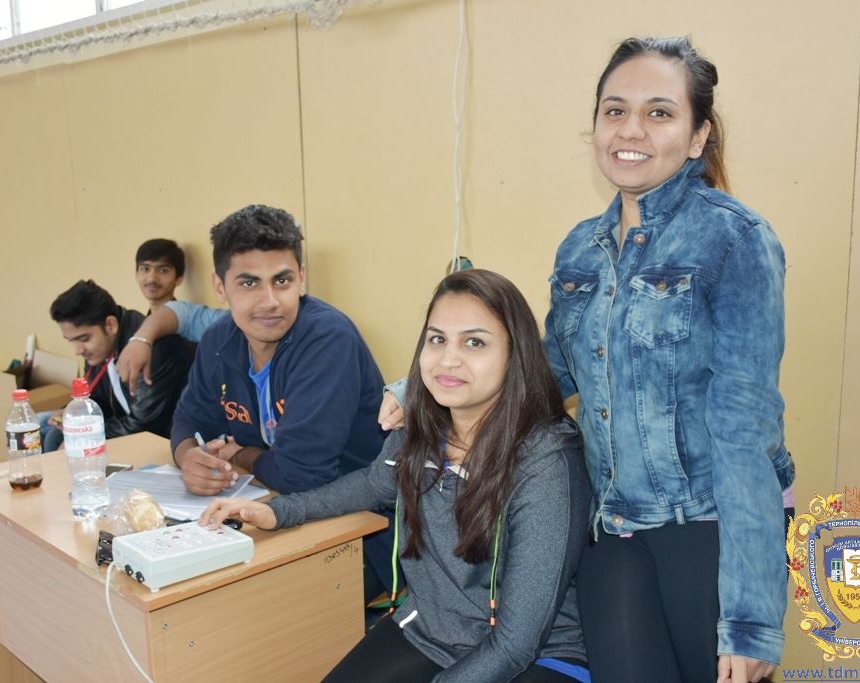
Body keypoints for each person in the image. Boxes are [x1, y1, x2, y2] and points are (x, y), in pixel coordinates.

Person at [543, 37, 794, 683]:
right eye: (615, 110)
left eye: (659, 112)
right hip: (612, 533)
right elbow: (543, 378)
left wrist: (751, 616)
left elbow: (746, 434)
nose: (631, 129)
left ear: (697, 135)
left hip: (707, 530)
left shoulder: (735, 239)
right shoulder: (580, 249)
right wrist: (424, 385)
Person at [201, 269, 591, 683]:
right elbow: (372, 484)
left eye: (474, 342)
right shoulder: (421, 429)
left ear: (516, 355)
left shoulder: (547, 460)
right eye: (437, 339)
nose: (449, 359)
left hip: (537, 656)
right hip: (433, 633)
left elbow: (517, 642)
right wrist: (279, 512)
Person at [168, 204, 394, 599]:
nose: (270, 301)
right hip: (271, 507)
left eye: (282, 280)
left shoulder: (328, 340)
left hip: (362, 530)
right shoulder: (219, 340)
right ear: (220, 287)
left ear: (302, 279)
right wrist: (188, 457)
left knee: (242, 606)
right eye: (249, 283)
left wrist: (240, 455)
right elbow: (189, 419)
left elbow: (302, 476)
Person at [44, 280, 191, 450]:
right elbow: (98, 397)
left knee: (60, 439)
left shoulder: (151, 350)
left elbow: (144, 425)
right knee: (52, 429)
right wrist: (75, 413)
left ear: (111, 325)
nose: (77, 350)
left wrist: (86, 437)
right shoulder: (99, 348)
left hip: (163, 439)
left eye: (83, 339)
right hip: (126, 424)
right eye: (71, 340)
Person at [135, 238, 185, 314]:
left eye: (163, 270)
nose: (151, 278)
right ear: (136, 274)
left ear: (179, 279)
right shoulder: (142, 320)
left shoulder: (189, 320)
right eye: (145, 269)